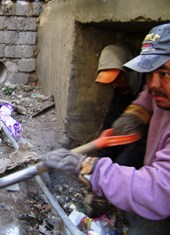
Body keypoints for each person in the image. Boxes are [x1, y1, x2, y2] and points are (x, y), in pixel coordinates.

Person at [42, 23, 170, 234]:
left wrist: (92, 170)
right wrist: (136, 112)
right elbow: (148, 93)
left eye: (164, 73)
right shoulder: (157, 91)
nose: (153, 84)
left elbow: (159, 191)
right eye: (150, 72)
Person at [95, 43, 146, 169]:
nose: (115, 85)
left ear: (130, 72)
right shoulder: (122, 91)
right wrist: (98, 164)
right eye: (112, 81)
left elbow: (139, 146)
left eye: (118, 78)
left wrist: (111, 174)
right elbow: (109, 126)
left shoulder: (150, 93)